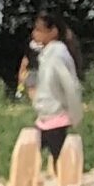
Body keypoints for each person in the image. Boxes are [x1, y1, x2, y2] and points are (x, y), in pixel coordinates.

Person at [22, 14, 81, 163]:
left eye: (39, 30)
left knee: (58, 162)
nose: (34, 34)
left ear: (53, 32)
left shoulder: (57, 55)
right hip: (46, 116)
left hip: (57, 116)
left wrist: (75, 114)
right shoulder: (47, 55)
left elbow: (70, 85)